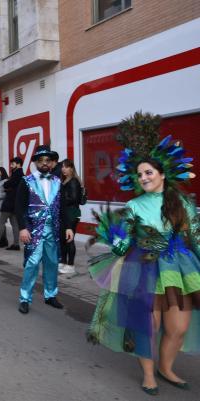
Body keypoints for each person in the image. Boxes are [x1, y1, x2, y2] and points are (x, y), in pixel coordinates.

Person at [87, 113, 200, 395]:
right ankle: (149, 374)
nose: (144, 177)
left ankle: (166, 366)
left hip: (178, 267)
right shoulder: (135, 204)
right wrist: (119, 243)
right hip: (144, 266)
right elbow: (125, 234)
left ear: (162, 174)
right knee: (148, 325)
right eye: (139, 174)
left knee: (179, 327)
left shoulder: (181, 201)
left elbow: (195, 233)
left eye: (149, 172)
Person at [15, 145, 73, 314]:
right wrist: (23, 228)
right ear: (35, 163)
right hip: (34, 230)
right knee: (32, 264)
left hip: (53, 230)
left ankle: (50, 295)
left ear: (52, 163)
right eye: (40, 161)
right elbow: (19, 207)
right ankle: (25, 298)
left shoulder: (57, 182)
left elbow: (63, 207)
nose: (44, 164)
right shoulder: (27, 181)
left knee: (52, 263)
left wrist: (68, 226)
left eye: (47, 160)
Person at [58, 159, 81, 275]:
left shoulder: (73, 181)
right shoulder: (65, 180)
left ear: (71, 168)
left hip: (72, 214)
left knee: (69, 239)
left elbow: (74, 198)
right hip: (66, 214)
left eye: (66, 167)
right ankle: (63, 261)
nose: (63, 169)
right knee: (63, 239)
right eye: (62, 167)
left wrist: (59, 201)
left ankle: (70, 265)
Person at [1, 157, 24, 250]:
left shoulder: (18, 174)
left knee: (3, 222)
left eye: (13, 164)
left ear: (18, 164)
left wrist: (7, 185)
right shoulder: (16, 173)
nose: (11, 165)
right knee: (14, 224)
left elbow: (8, 184)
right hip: (13, 202)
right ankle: (15, 244)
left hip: (12, 202)